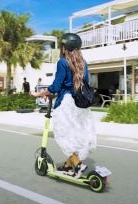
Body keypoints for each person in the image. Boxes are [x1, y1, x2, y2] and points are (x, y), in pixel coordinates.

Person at [31, 33, 96, 178]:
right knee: (76, 135)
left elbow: (55, 86)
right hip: (80, 104)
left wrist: (40, 93)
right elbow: (86, 81)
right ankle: (68, 166)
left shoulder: (62, 62)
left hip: (66, 103)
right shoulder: (83, 62)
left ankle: (78, 165)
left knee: (65, 136)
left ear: (65, 47)